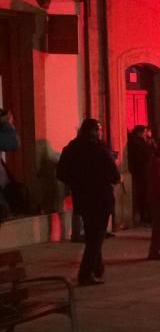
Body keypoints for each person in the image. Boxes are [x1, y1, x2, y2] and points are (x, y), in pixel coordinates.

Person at [56, 119, 120, 285]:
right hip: (100, 198)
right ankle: (85, 273)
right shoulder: (100, 150)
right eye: (99, 130)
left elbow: (61, 173)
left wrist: (77, 182)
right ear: (94, 131)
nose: (101, 133)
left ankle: (97, 267)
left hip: (83, 198)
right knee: (95, 238)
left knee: (92, 234)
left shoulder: (71, 149)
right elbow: (115, 176)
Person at [126, 125, 153, 224]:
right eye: (145, 132)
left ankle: (144, 216)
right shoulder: (138, 142)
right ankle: (144, 216)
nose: (146, 134)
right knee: (143, 195)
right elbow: (147, 155)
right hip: (142, 172)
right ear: (140, 132)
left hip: (142, 171)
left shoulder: (139, 141)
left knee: (143, 195)